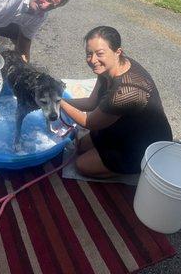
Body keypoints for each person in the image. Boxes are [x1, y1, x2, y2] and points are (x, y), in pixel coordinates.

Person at [60, 26, 172, 178]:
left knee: (82, 166)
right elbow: (91, 103)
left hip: (144, 143)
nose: (93, 60)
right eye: (89, 54)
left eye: (99, 54)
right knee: (79, 146)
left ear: (117, 52)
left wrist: (58, 103)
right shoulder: (110, 67)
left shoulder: (125, 92)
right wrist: (63, 100)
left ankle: (140, 167)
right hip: (124, 126)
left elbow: (89, 122)